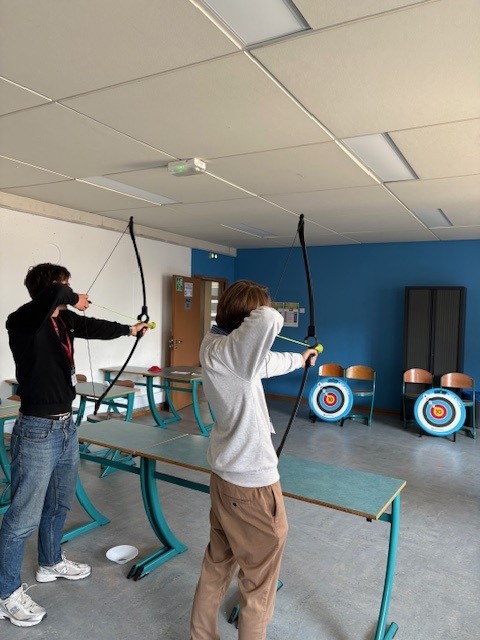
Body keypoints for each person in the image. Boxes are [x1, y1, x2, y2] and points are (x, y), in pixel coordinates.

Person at [0, 263, 149, 627]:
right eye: (64, 286)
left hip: (66, 428)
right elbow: (56, 296)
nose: (71, 292)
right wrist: (69, 295)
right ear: (50, 289)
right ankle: (5, 593)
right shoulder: (22, 321)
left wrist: (130, 330)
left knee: (59, 503)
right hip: (37, 430)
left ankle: (50, 562)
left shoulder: (63, 320)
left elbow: (94, 326)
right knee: (22, 517)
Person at [190, 280, 318, 640]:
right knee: (259, 584)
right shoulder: (234, 352)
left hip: (225, 478)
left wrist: (300, 359)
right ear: (248, 317)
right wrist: (263, 308)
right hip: (252, 486)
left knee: (217, 565)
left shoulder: (216, 344)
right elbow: (267, 320)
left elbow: (262, 362)